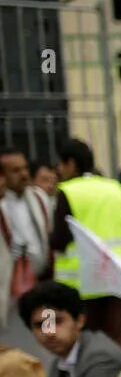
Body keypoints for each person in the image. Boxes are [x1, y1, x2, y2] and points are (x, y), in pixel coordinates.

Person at [47, 139, 121, 342]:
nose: (59, 170)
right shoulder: (115, 188)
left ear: (71, 164)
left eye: (61, 164)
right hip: (117, 276)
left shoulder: (68, 191)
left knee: (83, 339)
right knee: (115, 336)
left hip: (80, 281)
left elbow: (60, 239)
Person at [1, 148, 53, 358]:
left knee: (50, 336)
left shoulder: (39, 198)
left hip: (41, 284)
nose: (23, 174)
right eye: (15, 170)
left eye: (24, 169)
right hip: (9, 291)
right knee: (14, 345)